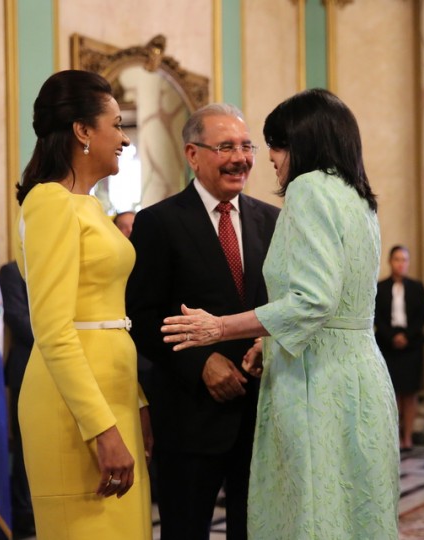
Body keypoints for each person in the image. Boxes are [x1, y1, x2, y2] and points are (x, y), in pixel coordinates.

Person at [160, 88, 399, 539]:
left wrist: (219, 327)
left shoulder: (308, 190)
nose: (267, 156)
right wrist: (267, 342)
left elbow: (312, 300)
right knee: (352, 516)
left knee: (309, 517)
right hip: (361, 377)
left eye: (275, 142)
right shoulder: (356, 196)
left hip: (317, 382)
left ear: (305, 141)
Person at [126, 103, 279, 540]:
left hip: (260, 414)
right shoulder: (158, 222)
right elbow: (142, 315)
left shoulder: (272, 221)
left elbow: (279, 304)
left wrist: (265, 344)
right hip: (190, 417)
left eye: (247, 147)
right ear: (193, 154)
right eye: (226, 146)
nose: (241, 158)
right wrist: (201, 365)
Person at [13, 70, 152, 540]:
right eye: (116, 124)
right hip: (73, 411)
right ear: (82, 130)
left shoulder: (89, 205)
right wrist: (101, 429)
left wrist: (137, 403)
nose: (125, 139)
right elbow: (53, 329)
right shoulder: (50, 202)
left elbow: (107, 312)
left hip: (109, 398)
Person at [376, 245, 424, 451]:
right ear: (390, 262)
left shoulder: (417, 287)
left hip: (411, 343)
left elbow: (422, 315)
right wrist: (392, 336)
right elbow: (377, 316)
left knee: (410, 392)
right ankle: (394, 436)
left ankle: (408, 436)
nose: (401, 263)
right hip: (387, 343)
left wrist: (406, 336)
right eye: (397, 259)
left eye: (404, 259)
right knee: (391, 392)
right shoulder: (380, 287)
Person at [0, 260, 35, 537]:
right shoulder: (11, 272)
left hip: (65, 369)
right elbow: (18, 318)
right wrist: (62, 336)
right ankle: (24, 516)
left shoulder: (56, 263)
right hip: (27, 370)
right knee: (27, 447)